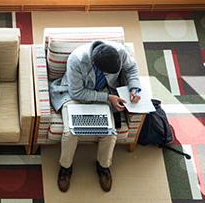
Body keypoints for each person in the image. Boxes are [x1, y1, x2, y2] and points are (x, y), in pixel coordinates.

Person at [49, 40, 141, 192]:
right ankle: (65, 167)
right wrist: (107, 98)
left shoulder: (119, 51)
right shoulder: (77, 60)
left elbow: (131, 68)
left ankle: (103, 166)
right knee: (71, 132)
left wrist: (135, 88)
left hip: (104, 92)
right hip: (74, 95)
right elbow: (77, 93)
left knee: (110, 134)